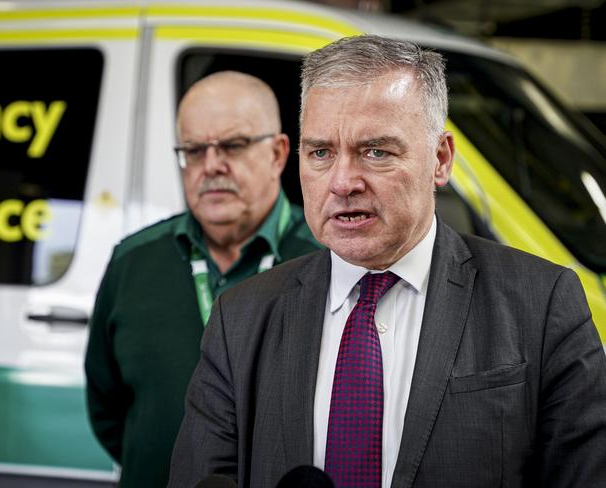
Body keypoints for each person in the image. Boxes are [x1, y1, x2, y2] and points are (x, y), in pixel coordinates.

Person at [168, 36, 606, 487]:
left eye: (375, 151)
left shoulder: (543, 304)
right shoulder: (240, 318)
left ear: (440, 159)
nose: (342, 182)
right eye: (321, 152)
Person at [84, 71, 321, 488]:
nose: (211, 165)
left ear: (279, 154)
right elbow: (109, 409)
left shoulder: (328, 259)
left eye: (233, 145)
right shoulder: (134, 260)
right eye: (193, 150)